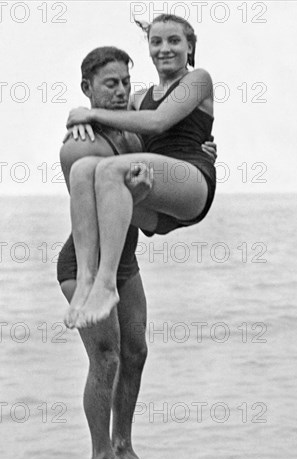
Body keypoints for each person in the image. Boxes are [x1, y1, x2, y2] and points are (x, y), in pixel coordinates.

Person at [58, 45, 217, 459]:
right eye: (111, 85)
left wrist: (199, 152)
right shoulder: (81, 145)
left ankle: (123, 444)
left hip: (125, 264)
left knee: (137, 353)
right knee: (106, 357)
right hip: (81, 266)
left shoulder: (132, 138)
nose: (122, 92)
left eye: (126, 82)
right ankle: (100, 457)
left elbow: (147, 226)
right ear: (87, 88)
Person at [65, 14, 216, 330]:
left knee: (108, 170)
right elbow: (113, 112)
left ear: (190, 47)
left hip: (190, 180)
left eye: (174, 41)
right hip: (156, 205)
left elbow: (158, 122)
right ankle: (86, 279)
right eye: (156, 41)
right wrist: (79, 119)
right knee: (83, 170)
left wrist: (90, 113)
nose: (164, 48)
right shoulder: (137, 98)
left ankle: (106, 284)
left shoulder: (198, 79)